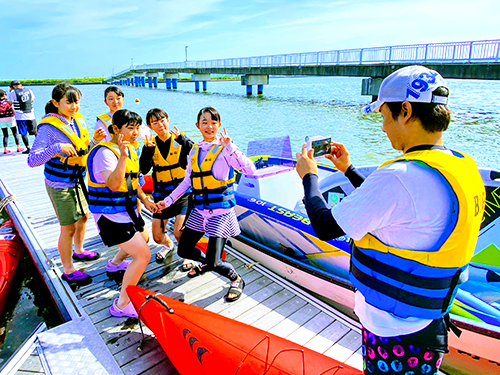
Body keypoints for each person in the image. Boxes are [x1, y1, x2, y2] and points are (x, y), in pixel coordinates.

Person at [295, 65, 486, 375]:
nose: (383, 127)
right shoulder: (461, 166)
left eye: (384, 115)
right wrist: (348, 169)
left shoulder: (399, 177)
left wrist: (309, 177)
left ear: (406, 110)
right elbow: (402, 208)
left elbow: (326, 226)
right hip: (427, 324)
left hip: (393, 332)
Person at [158, 107, 256, 302]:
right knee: (183, 250)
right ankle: (208, 263)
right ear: (198, 126)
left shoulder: (226, 150)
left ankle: (236, 279)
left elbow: (250, 170)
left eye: (213, 122)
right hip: (199, 211)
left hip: (220, 212)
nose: (209, 126)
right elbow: (187, 182)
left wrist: (232, 147)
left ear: (219, 125)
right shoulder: (194, 150)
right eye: (205, 122)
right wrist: (167, 201)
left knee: (215, 261)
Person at [27, 83, 107, 285]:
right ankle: (68, 269)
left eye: (76, 102)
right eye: (69, 102)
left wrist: (95, 141)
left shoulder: (75, 121)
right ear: (56, 103)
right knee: (68, 227)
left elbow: (81, 151)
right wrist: (55, 148)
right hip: (61, 184)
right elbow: (32, 160)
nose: (74, 107)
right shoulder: (48, 128)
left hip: (78, 179)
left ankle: (79, 250)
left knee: (83, 217)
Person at [87, 109, 155, 318]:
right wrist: (123, 157)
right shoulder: (105, 153)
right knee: (143, 255)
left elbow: (135, 182)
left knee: (143, 238)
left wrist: (146, 201)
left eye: (137, 128)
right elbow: (115, 184)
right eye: (130, 128)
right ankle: (121, 305)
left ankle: (115, 264)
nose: (135, 133)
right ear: (116, 129)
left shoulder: (131, 150)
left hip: (127, 210)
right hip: (110, 214)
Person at [139, 108, 195, 269]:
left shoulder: (179, 139)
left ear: (168, 120)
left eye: (162, 120)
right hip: (162, 196)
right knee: (157, 236)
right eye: (155, 122)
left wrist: (184, 141)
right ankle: (169, 245)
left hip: (182, 193)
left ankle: (187, 254)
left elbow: (197, 153)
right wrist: (148, 151)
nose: (160, 124)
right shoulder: (150, 144)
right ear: (150, 126)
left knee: (179, 231)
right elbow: (143, 169)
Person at [7, 80, 36, 153]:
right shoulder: (29, 90)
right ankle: (40, 146)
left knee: (23, 133)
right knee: (35, 132)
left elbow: (10, 103)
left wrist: (10, 92)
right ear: (20, 84)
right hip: (31, 114)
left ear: (13, 86)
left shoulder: (13, 92)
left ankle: (28, 148)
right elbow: (32, 100)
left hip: (20, 116)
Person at [0, 89, 23, 154]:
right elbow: (12, 109)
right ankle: (18, 147)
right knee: (15, 133)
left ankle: (5, 149)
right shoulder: (8, 102)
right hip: (10, 118)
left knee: (5, 135)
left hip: (1, 120)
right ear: (4, 95)